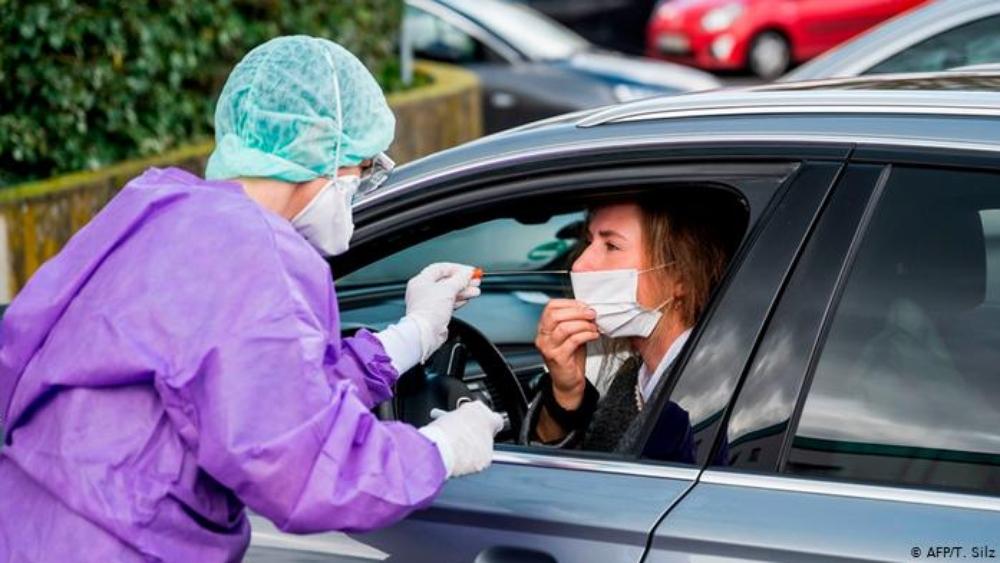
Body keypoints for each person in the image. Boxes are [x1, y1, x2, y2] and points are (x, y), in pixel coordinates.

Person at [0, 36, 502, 562]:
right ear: (324, 149)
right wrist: (443, 447)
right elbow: (306, 468)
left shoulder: (159, 207)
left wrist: (416, 331)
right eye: (363, 167)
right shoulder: (257, 257)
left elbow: (262, 393)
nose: (362, 184)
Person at [522, 199, 732, 458]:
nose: (579, 265)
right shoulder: (633, 376)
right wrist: (566, 392)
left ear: (680, 276)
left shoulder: (707, 392)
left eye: (611, 246)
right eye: (589, 242)